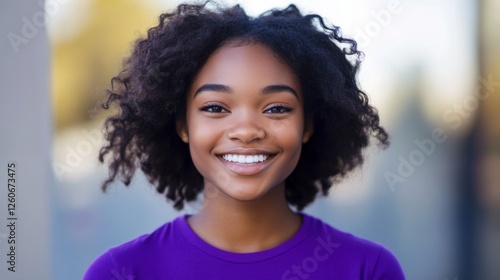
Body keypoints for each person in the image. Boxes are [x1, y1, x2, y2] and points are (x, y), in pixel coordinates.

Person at [84, 1, 405, 279]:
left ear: (307, 125)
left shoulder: (368, 270)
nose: (247, 130)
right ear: (183, 125)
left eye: (277, 108)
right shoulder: (121, 273)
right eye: (215, 108)